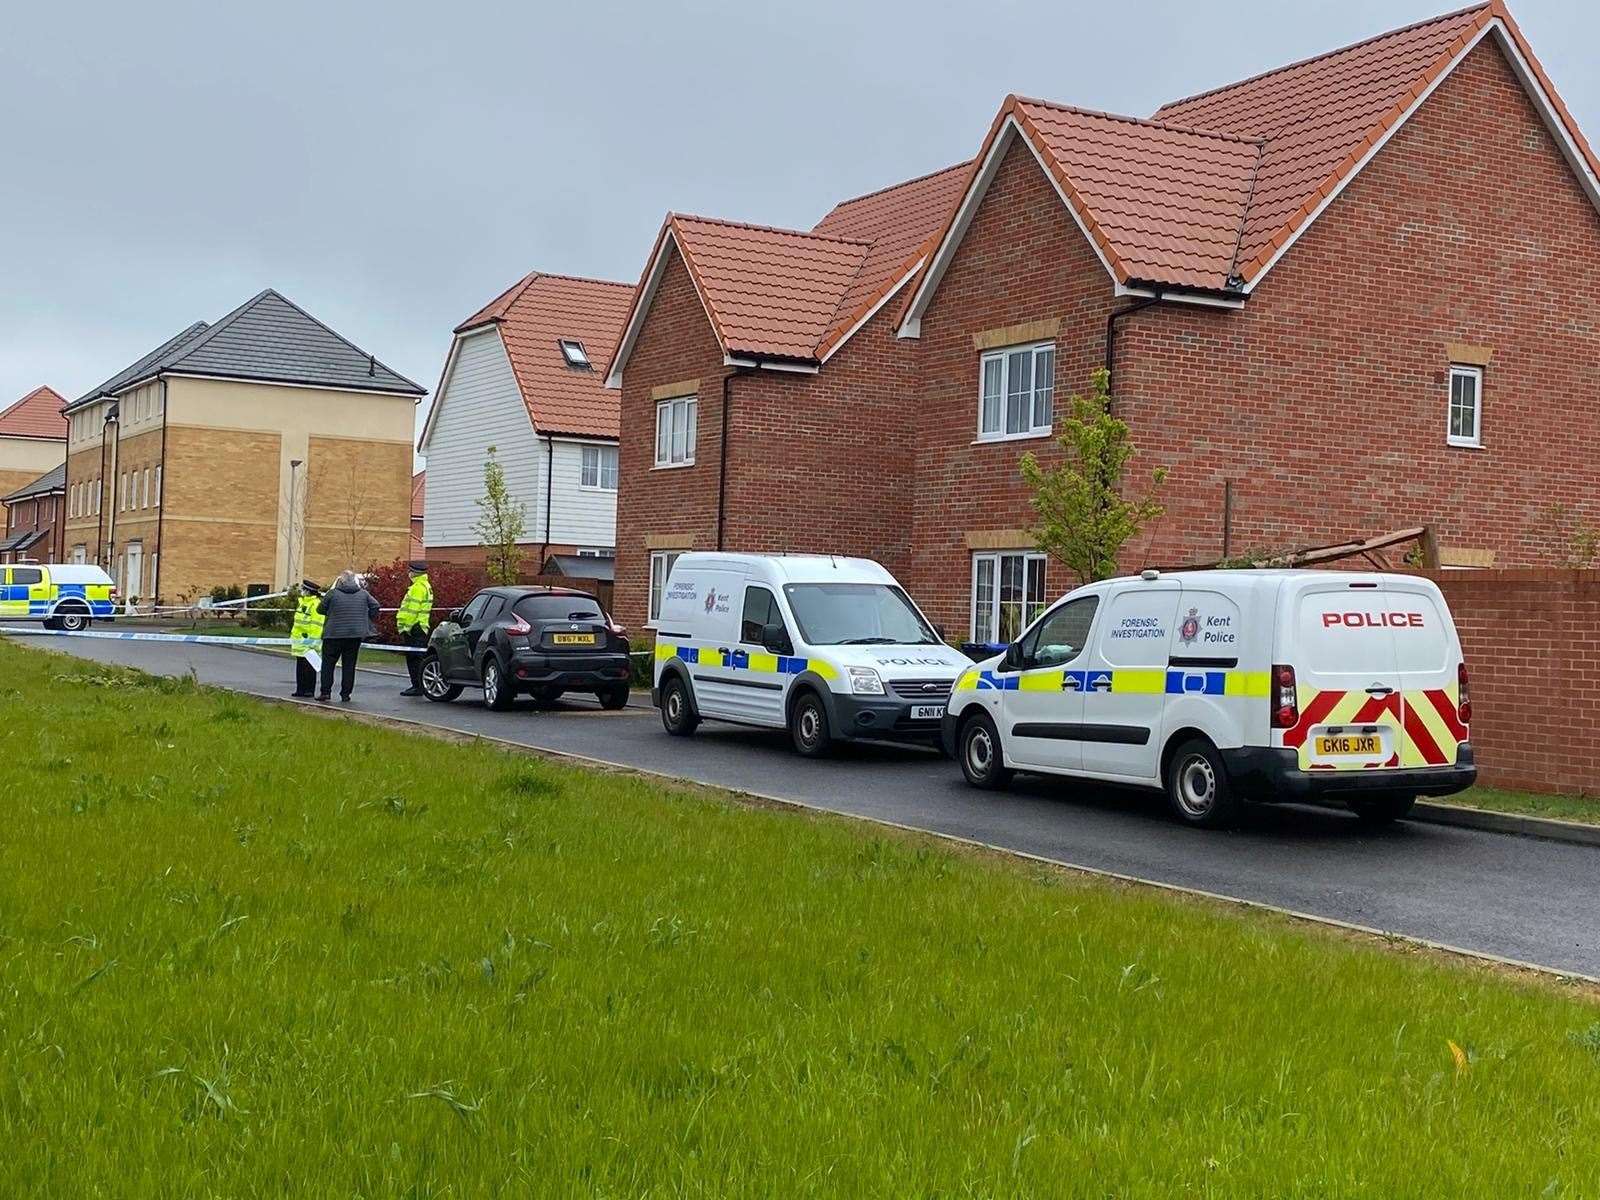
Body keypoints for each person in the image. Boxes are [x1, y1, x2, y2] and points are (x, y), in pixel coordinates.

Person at [316, 569, 379, 703]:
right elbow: (375, 605)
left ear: (341, 581)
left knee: (328, 664)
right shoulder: (363, 594)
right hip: (354, 635)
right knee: (349, 665)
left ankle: (325, 692)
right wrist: (367, 618)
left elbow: (320, 609)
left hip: (333, 634)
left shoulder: (332, 594)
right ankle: (346, 694)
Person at [396, 560, 433, 696]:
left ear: (414, 572)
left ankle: (417, 686)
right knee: (417, 658)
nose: (408, 574)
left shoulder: (417, 588)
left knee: (414, 659)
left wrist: (406, 627)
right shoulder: (425, 585)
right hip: (420, 626)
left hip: (414, 628)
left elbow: (413, 610)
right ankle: (419, 685)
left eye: (409, 571)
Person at [289, 579, 325, 698]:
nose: (302, 591)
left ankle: (309, 690)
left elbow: (317, 624)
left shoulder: (315, 604)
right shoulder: (302, 602)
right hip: (299, 641)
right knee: (300, 666)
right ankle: (300, 689)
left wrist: (313, 642)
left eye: (304, 589)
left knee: (309, 667)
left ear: (309, 591)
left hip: (309, 641)